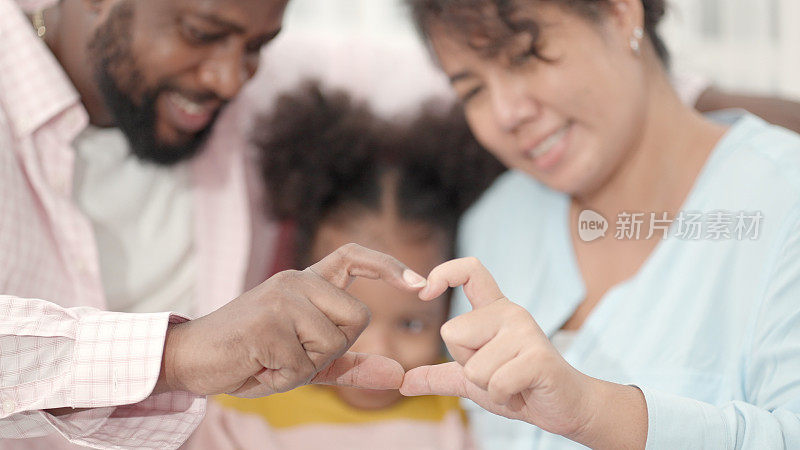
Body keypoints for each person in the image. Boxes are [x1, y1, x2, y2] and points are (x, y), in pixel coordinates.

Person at [0, 0, 430, 448]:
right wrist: (178, 356)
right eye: (200, 33)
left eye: (257, 47)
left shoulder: (259, 87)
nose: (229, 81)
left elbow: (470, 80)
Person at [397, 0, 800, 448]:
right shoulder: (493, 224)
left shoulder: (785, 203)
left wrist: (596, 411)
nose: (506, 114)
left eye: (524, 55)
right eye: (472, 90)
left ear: (620, 13)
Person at [184, 81, 503, 450]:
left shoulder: (464, 412)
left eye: (412, 324)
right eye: (346, 321)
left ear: (449, 311)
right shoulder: (243, 408)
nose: (378, 350)